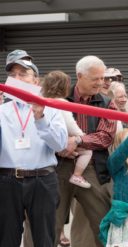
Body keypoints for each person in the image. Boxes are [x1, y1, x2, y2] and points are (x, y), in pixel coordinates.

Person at [0, 51, 68, 246]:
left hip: (42, 179)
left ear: (36, 81)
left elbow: (61, 145)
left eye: (23, 74)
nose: (17, 79)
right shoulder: (2, 109)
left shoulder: (51, 108)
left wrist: (41, 118)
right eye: (12, 75)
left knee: (45, 237)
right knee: (6, 237)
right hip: (6, 180)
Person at [55, 55, 117, 247]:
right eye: (95, 79)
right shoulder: (59, 99)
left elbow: (106, 136)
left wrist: (78, 141)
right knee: (49, 224)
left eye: (103, 78)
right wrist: (60, 146)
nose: (101, 83)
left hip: (92, 168)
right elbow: (44, 129)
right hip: (59, 167)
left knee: (104, 223)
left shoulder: (107, 103)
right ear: (79, 76)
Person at [41, 70, 93, 188]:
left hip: (48, 139)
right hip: (61, 137)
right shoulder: (62, 103)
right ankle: (77, 175)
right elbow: (69, 123)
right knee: (87, 151)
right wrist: (80, 135)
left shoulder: (43, 102)